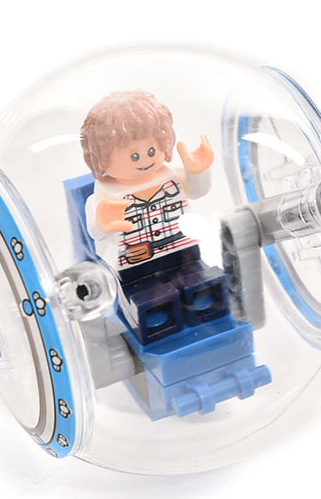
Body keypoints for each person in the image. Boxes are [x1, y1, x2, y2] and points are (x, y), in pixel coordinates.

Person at [80, 90, 230, 343]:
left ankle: (204, 311)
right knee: (152, 301)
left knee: (200, 286)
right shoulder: (104, 193)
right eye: (134, 156)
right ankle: (160, 324)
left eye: (151, 150)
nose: (145, 161)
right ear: (102, 158)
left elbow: (197, 191)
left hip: (184, 253)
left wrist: (198, 171)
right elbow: (95, 231)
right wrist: (102, 221)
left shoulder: (169, 175)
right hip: (134, 266)